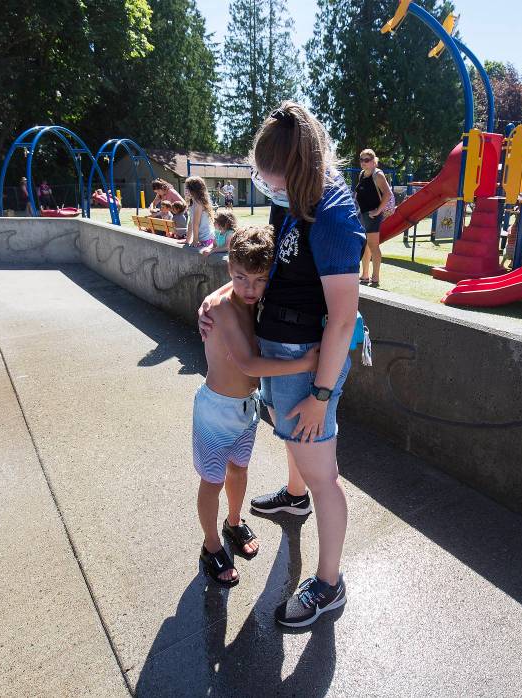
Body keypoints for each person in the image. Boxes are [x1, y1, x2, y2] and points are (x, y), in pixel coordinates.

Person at [199, 101, 365, 628]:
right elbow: (269, 262)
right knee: (295, 448)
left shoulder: (335, 214)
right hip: (282, 353)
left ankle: (330, 584)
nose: (273, 194)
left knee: (324, 475)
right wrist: (224, 291)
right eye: (266, 183)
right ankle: (294, 501)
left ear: (302, 170)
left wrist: (320, 395)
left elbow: (342, 320)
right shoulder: (291, 197)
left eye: (277, 184)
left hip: (306, 361)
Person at [193, 225, 320, 586]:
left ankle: (233, 522)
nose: (249, 288)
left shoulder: (256, 298)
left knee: (238, 470)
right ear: (229, 269)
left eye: (259, 279)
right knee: (211, 481)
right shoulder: (223, 308)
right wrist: (306, 363)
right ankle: (212, 544)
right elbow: (248, 363)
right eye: (240, 278)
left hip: (246, 409)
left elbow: (247, 284)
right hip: (215, 411)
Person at [353, 149, 392, 287]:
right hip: (362, 214)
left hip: (372, 215)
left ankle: (375, 278)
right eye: (361, 159)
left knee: (374, 246)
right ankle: (365, 275)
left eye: (367, 160)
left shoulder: (378, 175)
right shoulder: (362, 174)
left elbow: (388, 194)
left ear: (373, 161)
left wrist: (377, 211)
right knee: (366, 245)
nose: (363, 162)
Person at [185, 176, 215, 250]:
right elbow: (190, 222)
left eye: (187, 188)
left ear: (194, 190)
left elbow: (196, 223)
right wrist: (187, 240)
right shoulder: (193, 202)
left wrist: (195, 240)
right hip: (200, 238)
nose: (185, 190)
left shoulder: (199, 203)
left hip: (206, 239)